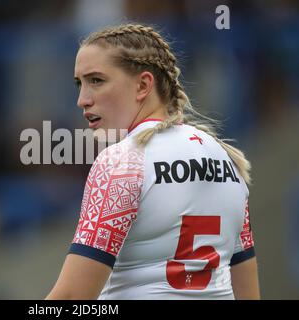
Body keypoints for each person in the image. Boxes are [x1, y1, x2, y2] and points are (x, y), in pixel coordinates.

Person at [46, 23, 260, 300]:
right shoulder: (227, 160)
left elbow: (72, 298)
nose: (82, 100)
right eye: (80, 83)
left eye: (96, 80)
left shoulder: (122, 162)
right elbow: (248, 291)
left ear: (143, 85)